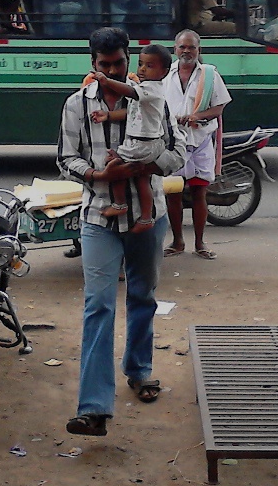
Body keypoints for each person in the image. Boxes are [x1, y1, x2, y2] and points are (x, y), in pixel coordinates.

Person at [57, 27, 185, 437]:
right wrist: (98, 173)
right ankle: (94, 407)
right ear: (93, 64)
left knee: (142, 296)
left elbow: (179, 152)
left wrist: (149, 166)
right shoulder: (77, 105)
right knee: (98, 306)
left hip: (148, 215)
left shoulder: (151, 97)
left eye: (119, 63)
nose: (112, 69)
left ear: (129, 59)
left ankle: (140, 369)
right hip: (98, 217)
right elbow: (65, 160)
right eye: (104, 64)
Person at [88, 44, 173, 233]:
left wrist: (106, 80)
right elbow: (131, 112)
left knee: (115, 166)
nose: (142, 69)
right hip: (144, 143)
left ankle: (120, 204)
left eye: (149, 66)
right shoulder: (145, 90)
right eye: (141, 64)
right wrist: (108, 115)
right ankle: (145, 217)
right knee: (142, 179)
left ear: (164, 72)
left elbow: (130, 93)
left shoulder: (152, 88)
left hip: (144, 143)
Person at [162, 30, 232, 260]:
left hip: (200, 140)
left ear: (198, 50)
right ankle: (177, 241)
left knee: (199, 192)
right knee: (173, 193)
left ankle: (200, 243)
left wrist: (197, 116)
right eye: (182, 47)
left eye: (191, 47)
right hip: (173, 142)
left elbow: (219, 107)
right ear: (175, 49)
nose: (186, 52)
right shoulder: (165, 74)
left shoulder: (209, 75)